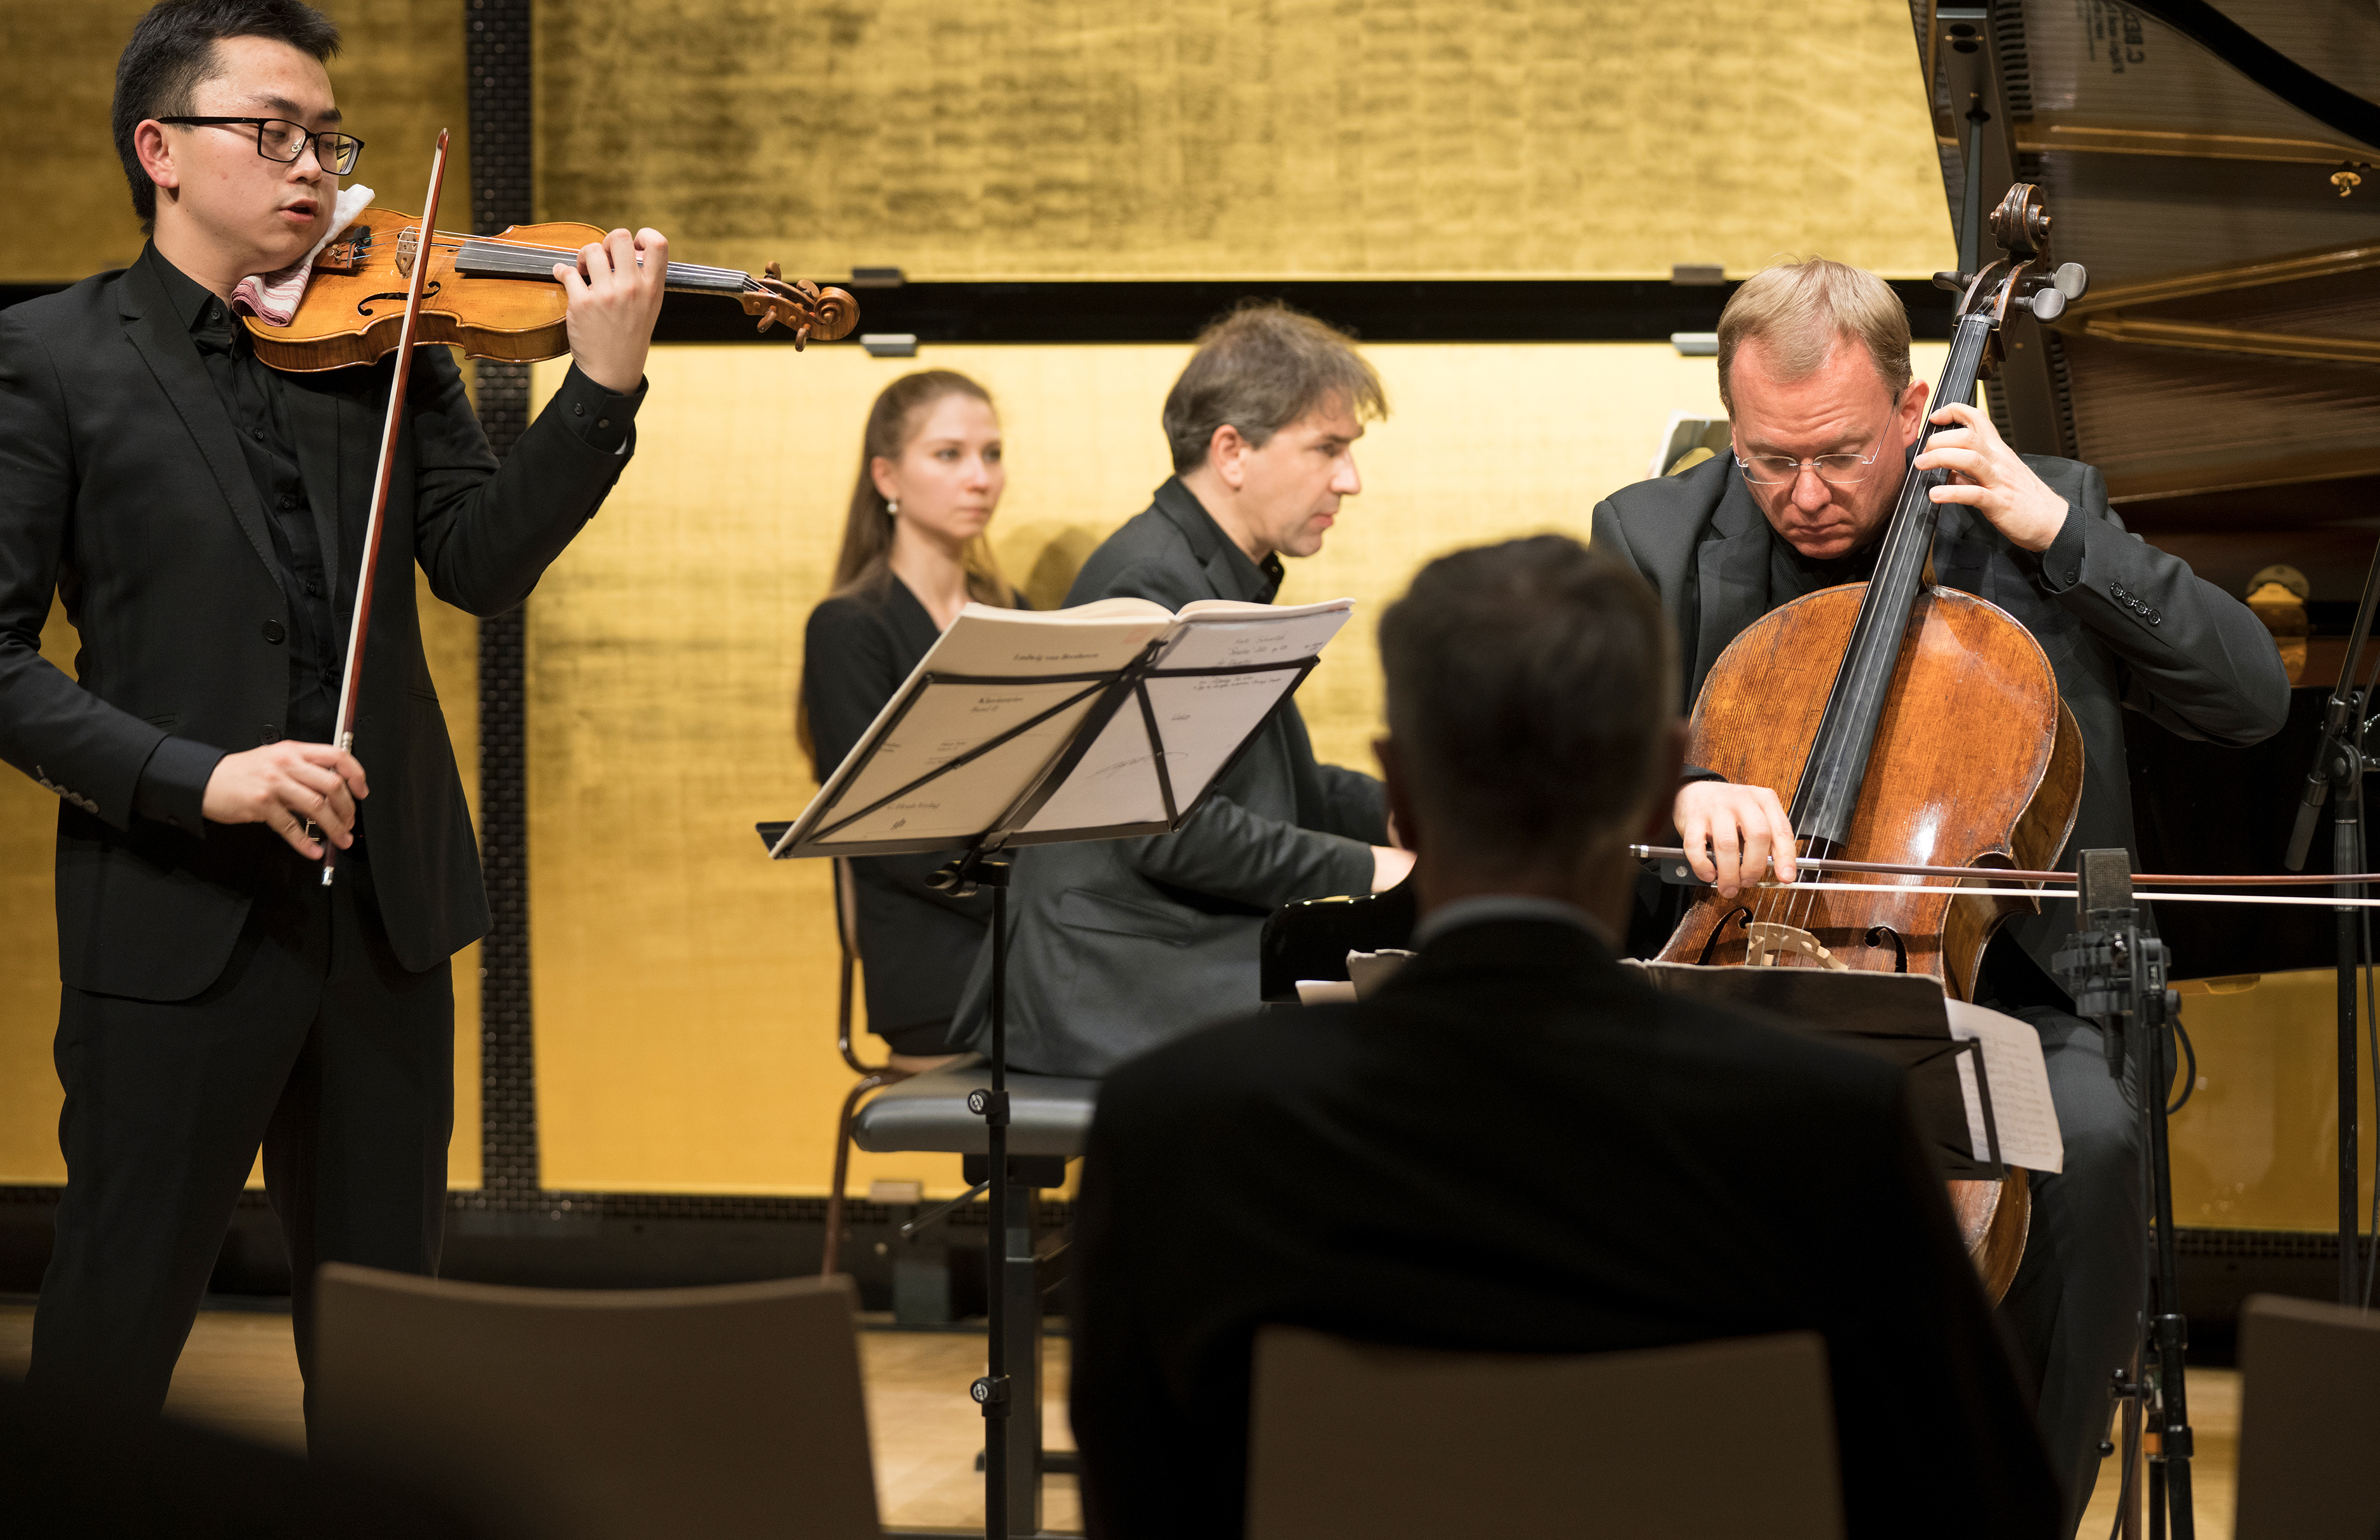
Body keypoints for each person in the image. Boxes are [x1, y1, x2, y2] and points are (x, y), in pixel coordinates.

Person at [0, 0, 668, 1420]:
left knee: (391, 1357)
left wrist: (602, 391)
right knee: (111, 1338)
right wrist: (200, 774)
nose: (315, 166)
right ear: (162, 148)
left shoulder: (384, 337)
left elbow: (480, 566)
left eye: (329, 136)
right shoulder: (57, 356)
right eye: (274, 133)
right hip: (178, 910)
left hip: (384, 917)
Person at [1069, 536, 2060, 1539]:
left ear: (1400, 788)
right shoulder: (1832, 1125)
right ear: (1661, 783)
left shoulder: (1177, 1125)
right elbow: (1979, 1506)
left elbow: (1143, 1501)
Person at [1589, 257, 2290, 1523]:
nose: (1801, 494)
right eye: (1765, 458)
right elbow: (1573, 745)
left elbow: (2245, 698)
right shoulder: (1652, 532)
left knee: (2085, 1141)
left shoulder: (2034, 507)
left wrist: (2056, 533)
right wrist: (1675, 785)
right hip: (1733, 969)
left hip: (2003, 988)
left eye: (1839, 454)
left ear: (1913, 409)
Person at [947, 303, 1412, 1077]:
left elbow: (1280, 787)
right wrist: (1372, 866)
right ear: (1231, 451)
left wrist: (1416, 815)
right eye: (1328, 448)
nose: (1350, 479)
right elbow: (1166, 830)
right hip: (1108, 975)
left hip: (1155, 942)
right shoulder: (1148, 584)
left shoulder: (1209, 570)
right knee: (1391, 1030)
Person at [800, 370, 1017, 1057]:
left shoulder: (1015, 610)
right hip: (934, 953)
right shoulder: (847, 626)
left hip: (1028, 928)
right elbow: (887, 831)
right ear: (887, 477)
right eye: (949, 454)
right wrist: (1040, 906)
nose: (979, 477)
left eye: (991, 453)